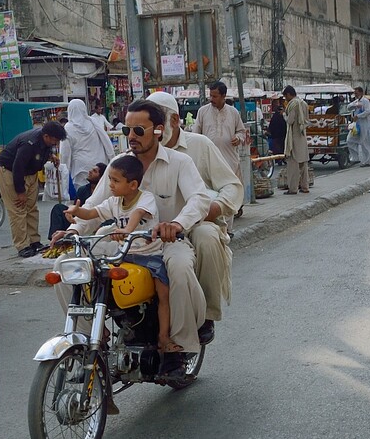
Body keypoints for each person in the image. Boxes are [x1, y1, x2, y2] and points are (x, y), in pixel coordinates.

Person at [52, 99, 211, 377]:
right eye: (127, 131)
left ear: (158, 130)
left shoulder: (179, 162)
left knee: (181, 269)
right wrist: (74, 230)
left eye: (139, 130)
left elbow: (199, 198)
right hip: (122, 241)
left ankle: (177, 346)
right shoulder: (119, 164)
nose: (132, 137)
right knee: (66, 267)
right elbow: (96, 205)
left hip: (165, 243)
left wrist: (176, 223)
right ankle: (93, 341)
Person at [147, 90, 243, 345]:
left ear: (175, 121)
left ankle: (207, 314)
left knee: (206, 238)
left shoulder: (199, 145)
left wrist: (216, 207)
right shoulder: (142, 150)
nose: (153, 130)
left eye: (159, 122)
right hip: (155, 230)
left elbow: (232, 186)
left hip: (198, 223)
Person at [64, 155, 178, 354]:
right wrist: (77, 211)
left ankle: (163, 337)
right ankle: (100, 329)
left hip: (149, 256)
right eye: (110, 180)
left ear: (133, 184)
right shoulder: (113, 202)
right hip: (123, 256)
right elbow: (92, 214)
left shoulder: (146, 198)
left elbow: (137, 214)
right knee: (95, 280)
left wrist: (127, 231)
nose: (111, 185)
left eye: (116, 181)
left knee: (164, 294)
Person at [0, 121, 68, 257]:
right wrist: (20, 191)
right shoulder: (29, 144)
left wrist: (51, 157)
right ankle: (22, 245)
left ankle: (34, 241)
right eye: (55, 140)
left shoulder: (46, 142)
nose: (56, 144)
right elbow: (18, 167)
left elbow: (40, 153)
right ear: (46, 136)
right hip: (10, 172)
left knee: (32, 208)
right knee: (18, 209)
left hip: (30, 173)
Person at [192, 80, 248, 216]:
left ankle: (229, 226)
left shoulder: (233, 112)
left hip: (229, 159)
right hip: (209, 160)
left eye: (215, 96)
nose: (211, 99)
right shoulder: (202, 112)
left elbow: (242, 131)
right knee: (212, 191)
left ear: (224, 96)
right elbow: (195, 135)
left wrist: (238, 138)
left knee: (230, 191)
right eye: (210, 96)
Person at [59, 99, 115, 190]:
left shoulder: (68, 128)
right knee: (100, 192)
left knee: (83, 194)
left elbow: (65, 153)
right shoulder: (93, 121)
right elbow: (106, 140)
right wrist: (112, 158)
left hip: (81, 168)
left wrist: (64, 170)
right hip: (99, 165)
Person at [48, 162, 106, 239]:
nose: (90, 172)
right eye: (91, 169)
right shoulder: (82, 190)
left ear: (101, 177)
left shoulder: (106, 192)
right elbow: (75, 209)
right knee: (58, 208)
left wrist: (101, 226)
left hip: (98, 221)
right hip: (78, 220)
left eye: (95, 171)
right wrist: (70, 213)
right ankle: (55, 240)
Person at [282, 84, 310, 195]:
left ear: (289, 94)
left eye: (285, 97)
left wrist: (284, 115)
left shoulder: (293, 104)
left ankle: (293, 188)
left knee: (293, 164)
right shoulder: (304, 103)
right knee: (303, 164)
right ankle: (305, 186)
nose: (285, 99)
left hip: (293, 138)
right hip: (302, 136)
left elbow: (290, 121)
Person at [347, 86, 370, 166]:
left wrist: (358, 116)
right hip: (356, 125)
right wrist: (354, 105)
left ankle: (367, 161)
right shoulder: (356, 101)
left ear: (361, 93)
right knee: (350, 140)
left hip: (364, 125)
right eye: (354, 93)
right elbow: (348, 107)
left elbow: (367, 112)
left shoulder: (365, 101)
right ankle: (355, 158)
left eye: (356, 93)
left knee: (365, 143)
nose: (355, 94)